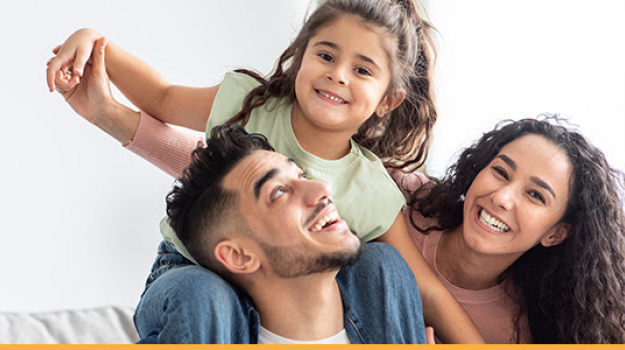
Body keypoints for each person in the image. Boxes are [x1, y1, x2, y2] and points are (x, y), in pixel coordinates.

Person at [46, 0, 484, 343]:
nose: (337, 75)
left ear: (388, 100)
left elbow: (426, 291)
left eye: (362, 70)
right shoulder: (251, 104)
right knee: (205, 297)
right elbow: (161, 97)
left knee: (383, 264)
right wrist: (94, 43)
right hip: (190, 270)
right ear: (299, 56)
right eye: (326, 55)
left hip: (286, 300)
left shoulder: (371, 188)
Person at [138, 123, 427, 344]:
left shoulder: (384, 278)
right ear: (239, 255)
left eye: (301, 176)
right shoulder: (207, 318)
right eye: (278, 192)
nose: (322, 190)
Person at [392, 116, 625, 343]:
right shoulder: (404, 196)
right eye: (501, 172)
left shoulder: (517, 334)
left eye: (535, 195)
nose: (502, 198)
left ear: (555, 234)